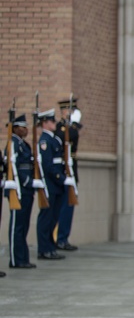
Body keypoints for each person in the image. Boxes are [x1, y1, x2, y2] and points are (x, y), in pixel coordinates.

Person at [35, 109, 66, 261]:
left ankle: (50, 246)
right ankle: (43, 249)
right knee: (46, 219)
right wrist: (60, 178)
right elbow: (48, 166)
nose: (54, 124)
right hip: (50, 184)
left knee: (53, 218)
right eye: (52, 121)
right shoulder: (44, 141)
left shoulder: (54, 140)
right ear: (45, 124)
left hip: (57, 185)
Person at [6, 114, 35, 269]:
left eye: (26, 127)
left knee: (23, 226)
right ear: (15, 128)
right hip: (18, 189)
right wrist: (27, 182)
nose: (26, 130)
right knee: (16, 226)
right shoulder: (13, 144)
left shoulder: (24, 145)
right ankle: (15, 260)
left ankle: (23, 258)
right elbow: (14, 167)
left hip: (27, 190)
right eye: (22, 127)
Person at [55, 99, 81, 252]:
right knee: (64, 207)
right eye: (69, 111)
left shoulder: (70, 127)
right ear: (63, 112)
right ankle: (60, 238)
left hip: (72, 171)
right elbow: (72, 134)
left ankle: (64, 237)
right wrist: (75, 124)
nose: (71, 113)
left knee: (69, 206)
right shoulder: (60, 128)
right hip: (64, 172)